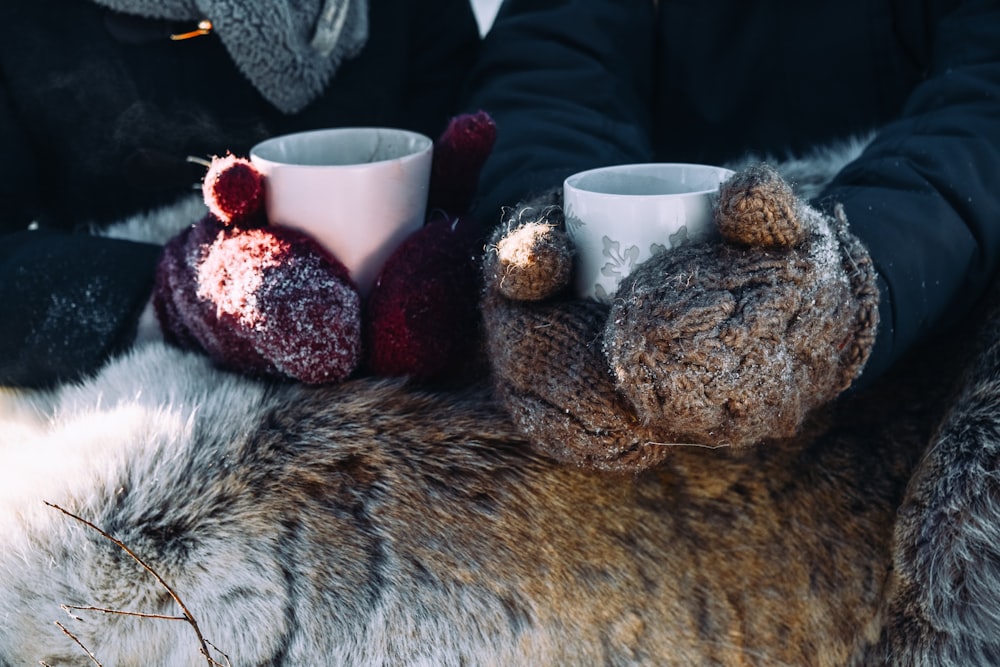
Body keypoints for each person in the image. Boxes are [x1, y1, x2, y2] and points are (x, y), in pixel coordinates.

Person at [461, 0, 1000, 470]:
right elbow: (554, 66)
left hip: (940, 314)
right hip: (642, 343)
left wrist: (860, 280)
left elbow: (985, 99)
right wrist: (549, 212)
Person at [0, 0, 481, 388]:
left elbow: (463, 113)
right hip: (137, 417)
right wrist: (175, 300)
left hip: (407, 405)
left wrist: (458, 227)